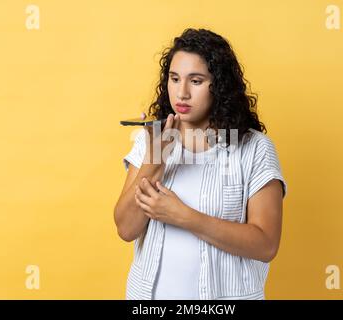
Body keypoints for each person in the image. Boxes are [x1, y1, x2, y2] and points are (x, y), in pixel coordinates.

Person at [114, 28, 288, 300]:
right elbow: (126, 229)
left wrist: (183, 216)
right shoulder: (151, 140)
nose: (181, 92)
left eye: (195, 81)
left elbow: (265, 244)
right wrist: (154, 159)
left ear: (218, 85)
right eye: (174, 79)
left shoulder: (254, 149)